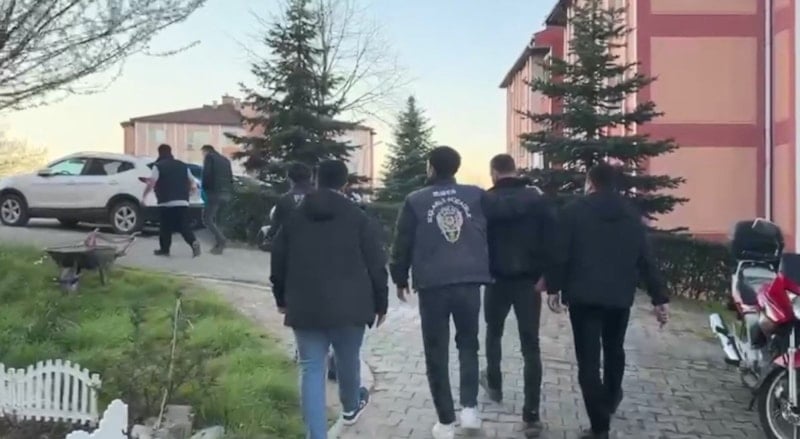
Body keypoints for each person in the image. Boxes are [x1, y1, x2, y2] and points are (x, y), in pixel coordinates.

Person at [390, 146, 526, 439]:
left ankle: (445, 422)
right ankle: (470, 410)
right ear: (456, 167)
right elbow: (508, 211)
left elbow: (402, 242)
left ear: (431, 168)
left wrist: (399, 277)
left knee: (435, 351)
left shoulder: (415, 200)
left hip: (433, 284)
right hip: (468, 280)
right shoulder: (475, 195)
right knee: (468, 343)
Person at [547, 163, 670, 439]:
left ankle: (599, 426)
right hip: (619, 298)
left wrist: (554, 288)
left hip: (584, 298)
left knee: (588, 362)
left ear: (590, 182)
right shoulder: (631, 214)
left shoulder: (573, 211)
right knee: (614, 350)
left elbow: (560, 252)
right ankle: (612, 397)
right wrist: (659, 298)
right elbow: (645, 258)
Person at [270, 160, 388, 439]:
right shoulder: (359, 218)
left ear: (316, 179)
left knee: (311, 368)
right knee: (348, 359)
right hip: (352, 305)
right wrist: (381, 302)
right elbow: (376, 263)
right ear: (345, 183)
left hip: (305, 305)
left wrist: (281, 298)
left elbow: (278, 261)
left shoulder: (294, 217)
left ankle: (316, 435)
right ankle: (351, 407)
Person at [480, 154, 556, 438]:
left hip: (495, 279)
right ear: (514, 170)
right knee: (530, 345)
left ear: (494, 172)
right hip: (529, 282)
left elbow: (477, 238)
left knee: (493, 332)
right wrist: (548, 277)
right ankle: (531, 414)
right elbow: (552, 238)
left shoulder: (486, 201)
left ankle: (494, 382)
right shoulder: (537, 199)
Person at [142, 144, 201, 257]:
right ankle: (193, 242)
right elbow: (193, 182)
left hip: (166, 201)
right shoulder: (183, 165)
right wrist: (190, 193)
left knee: (165, 227)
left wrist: (144, 197)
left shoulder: (158, 166)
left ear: (159, 152)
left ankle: (164, 249)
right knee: (183, 226)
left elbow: (152, 182)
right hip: (183, 201)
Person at [264, 162, 314, 242]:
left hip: (291, 244)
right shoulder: (321, 197)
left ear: (289, 178)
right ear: (311, 178)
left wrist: (268, 237)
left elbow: (276, 226)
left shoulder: (284, 200)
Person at [200, 144, 233, 254]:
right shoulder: (225, 160)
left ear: (206, 151)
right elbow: (230, 177)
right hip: (226, 193)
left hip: (215, 192)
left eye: (203, 153)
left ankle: (221, 240)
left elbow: (206, 174)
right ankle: (219, 245)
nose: (203, 155)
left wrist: (205, 188)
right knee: (219, 220)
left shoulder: (209, 157)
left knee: (207, 218)